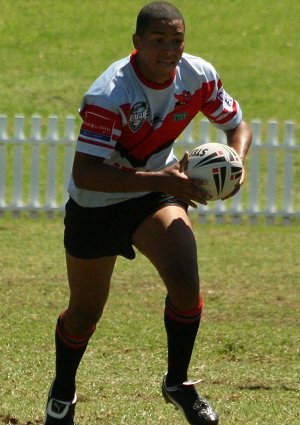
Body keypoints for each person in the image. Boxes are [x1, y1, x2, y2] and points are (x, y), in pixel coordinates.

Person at [44, 2, 252, 424]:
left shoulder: (199, 76)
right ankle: (63, 390)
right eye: (158, 41)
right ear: (137, 44)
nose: (169, 50)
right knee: (84, 314)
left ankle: (178, 383)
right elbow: (86, 175)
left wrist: (235, 161)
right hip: (97, 204)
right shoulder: (111, 94)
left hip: (155, 193)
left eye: (176, 40)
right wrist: (161, 180)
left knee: (185, 280)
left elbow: (238, 123)